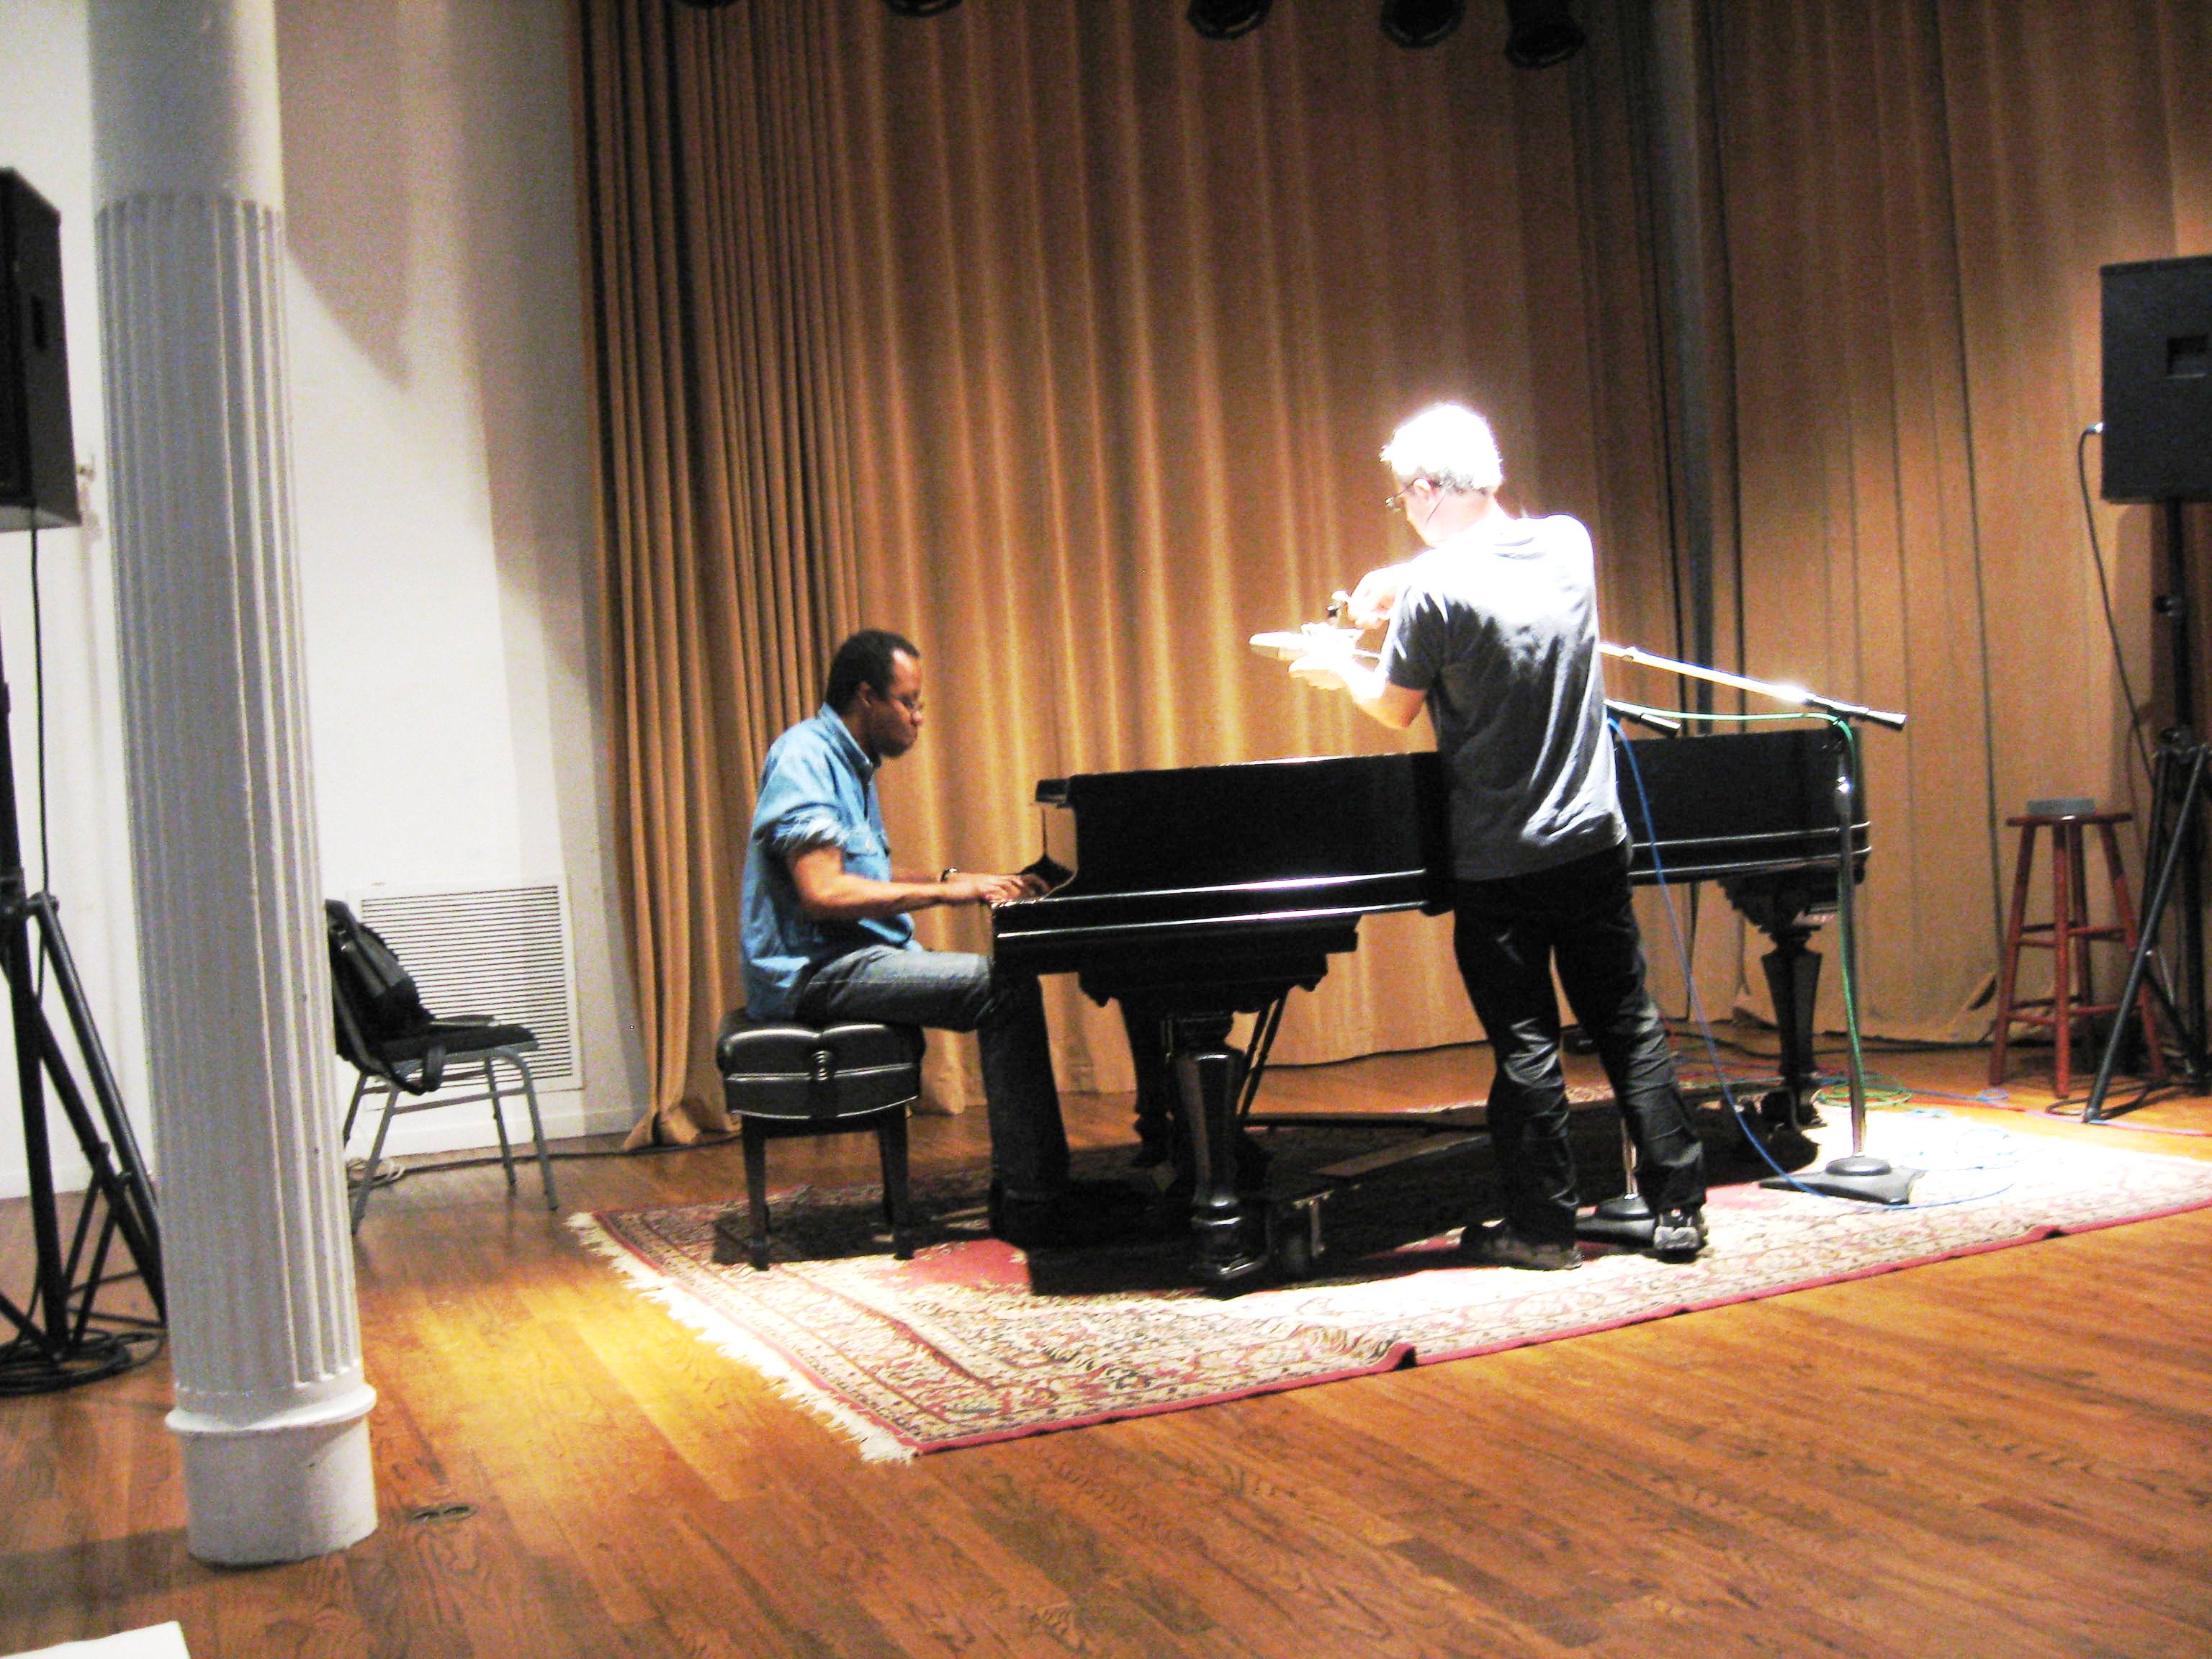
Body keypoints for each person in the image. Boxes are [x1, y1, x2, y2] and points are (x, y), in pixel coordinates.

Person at [1287, 404, 1707, 1268]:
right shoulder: (1569, 544)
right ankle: (1679, 1212)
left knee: (1526, 1047)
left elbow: (1395, 708)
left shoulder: (1435, 594)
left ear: (1429, 488)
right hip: (1593, 838)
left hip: (1497, 855)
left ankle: (1544, 1231)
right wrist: (1396, 572)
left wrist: (1339, 668)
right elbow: (1484, 557)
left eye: (1405, 498)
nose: (1404, 512)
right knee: (1629, 1025)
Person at [740, 628, 1147, 1249]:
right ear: (867, 696)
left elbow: (862, 874)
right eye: (910, 702)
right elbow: (824, 894)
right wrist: (947, 894)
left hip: (848, 957)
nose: (920, 718)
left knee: (1003, 979)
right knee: (1003, 989)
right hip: (816, 973)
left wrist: (956, 877)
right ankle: (1035, 1203)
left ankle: (1028, 1182)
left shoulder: (846, 760)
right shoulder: (807, 757)